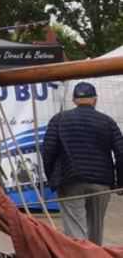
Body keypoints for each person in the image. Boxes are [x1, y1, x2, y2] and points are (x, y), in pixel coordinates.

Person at [42, 81, 123, 244]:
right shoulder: (107, 122)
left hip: (70, 180)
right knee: (95, 231)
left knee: (75, 232)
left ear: (73, 100)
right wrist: (120, 183)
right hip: (101, 183)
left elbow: (48, 151)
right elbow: (121, 153)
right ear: (95, 99)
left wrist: (52, 178)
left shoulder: (59, 120)